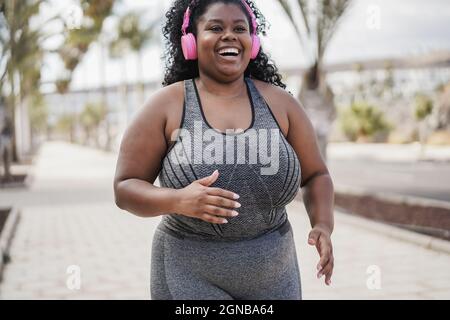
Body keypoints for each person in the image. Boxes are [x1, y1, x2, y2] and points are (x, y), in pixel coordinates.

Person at [114, 0, 335, 300]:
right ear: (191, 41)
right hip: (189, 275)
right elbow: (125, 188)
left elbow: (316, 175)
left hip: (275, 275)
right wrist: (177, 200)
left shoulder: (281, 104)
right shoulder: (166, 106)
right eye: (215, 27)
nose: (229, 35)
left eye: (239, 28)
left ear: (252, 42)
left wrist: (322, 224)